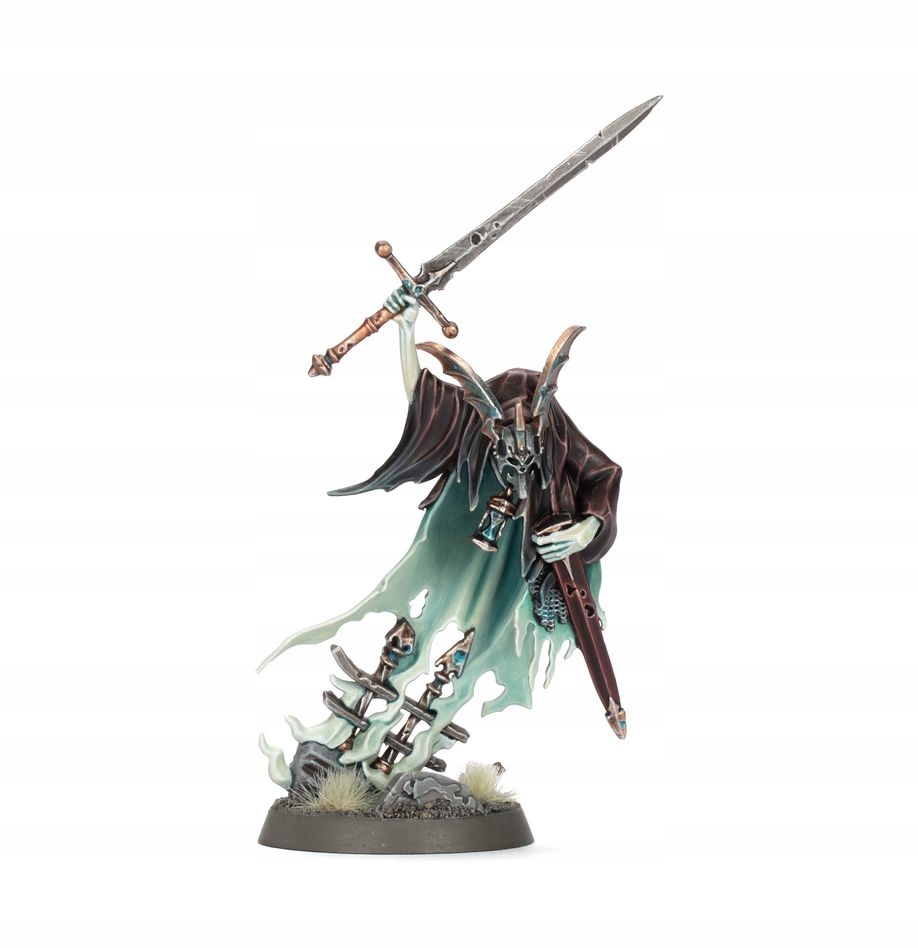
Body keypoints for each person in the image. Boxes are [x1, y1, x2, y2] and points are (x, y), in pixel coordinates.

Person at [259, 287, 623, 786]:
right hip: (461, 541)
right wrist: (406, 329)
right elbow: (426, 402)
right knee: (410, 632)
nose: (518, 457)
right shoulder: (477, 417)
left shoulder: (555, 431)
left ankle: (401, 754)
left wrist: (586, 528)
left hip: (517, 559)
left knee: (468, 654)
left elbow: (603, 474)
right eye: (507, 447)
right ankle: (347, 741)